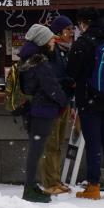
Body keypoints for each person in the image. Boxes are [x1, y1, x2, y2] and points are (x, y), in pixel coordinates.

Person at [72, 12, 104, 200]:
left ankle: (93, 187)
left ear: (83, 24)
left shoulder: (82, 43)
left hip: (89, 99)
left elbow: (73, 71)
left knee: (93, 143)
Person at [16, 23, 68, 203]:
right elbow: (52, 88)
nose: (53, 41)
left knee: (35, 149)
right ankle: (29, 188)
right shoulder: (40, 63)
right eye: (50, 39)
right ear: (42, 42)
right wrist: (64, 100)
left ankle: (30, 186)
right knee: (36, 151)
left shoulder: (28, 60)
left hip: (34, 110)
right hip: (42, 111)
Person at [38, 16, 78, 197]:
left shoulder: (67, 50)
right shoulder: (51, 50)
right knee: (50, 144)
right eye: (68, 29)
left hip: (64, 102)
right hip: (52, 103)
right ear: (59, 31)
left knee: (59, 142)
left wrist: (72, 105)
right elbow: (52, 79)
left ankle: (55, 179)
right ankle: (49, 182)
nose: (72, 32)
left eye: (73, 28)